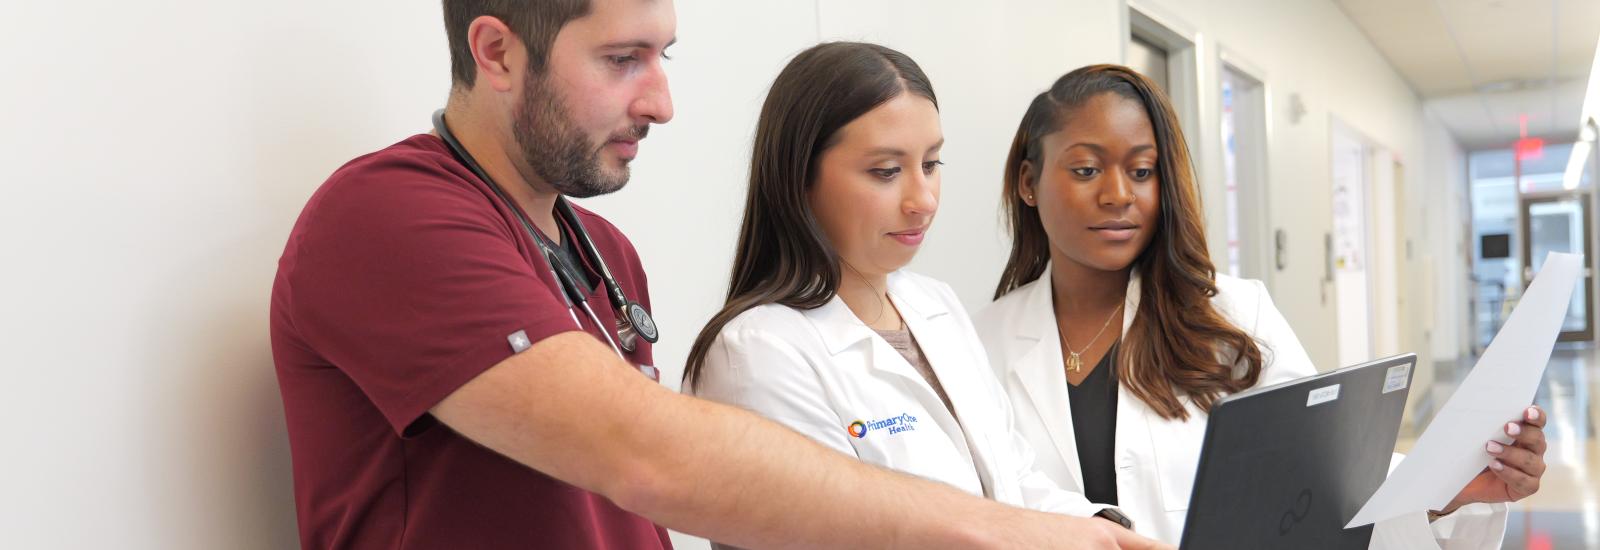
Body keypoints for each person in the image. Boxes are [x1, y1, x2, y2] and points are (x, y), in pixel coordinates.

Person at [269, 0, 1167, 547]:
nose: (661, 100)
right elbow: (649, 456)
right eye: (623, 60)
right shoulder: (389, 216)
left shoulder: (603, 255)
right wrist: (1016, 535)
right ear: (497, 52)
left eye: (664, 57)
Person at [975, 64, 1546, 548]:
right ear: (1029, 182)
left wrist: (1452, 488)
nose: (1119, 194)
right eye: (1086, 169)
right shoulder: (979, 343)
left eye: (1143, 171)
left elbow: (1325, 476)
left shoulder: (1230, 314)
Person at [682, 41, 1147, 542]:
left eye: (931, 165)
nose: (923, 201)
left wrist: (1106, 531)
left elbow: (1015, 483)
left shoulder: (934, 305)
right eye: (886, 171)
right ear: (799, 178)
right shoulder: (756, 353)